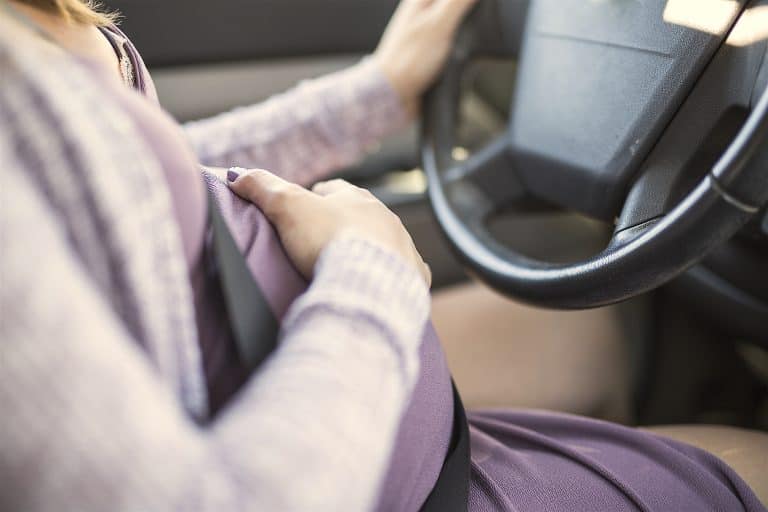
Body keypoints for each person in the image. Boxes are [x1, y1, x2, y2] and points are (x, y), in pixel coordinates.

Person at [0, 0, 765, 511]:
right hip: (368, 473)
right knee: (751, 463)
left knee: (595, 334)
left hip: (353, 405)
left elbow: (132, 185)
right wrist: (375, 278)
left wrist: (379, 91)